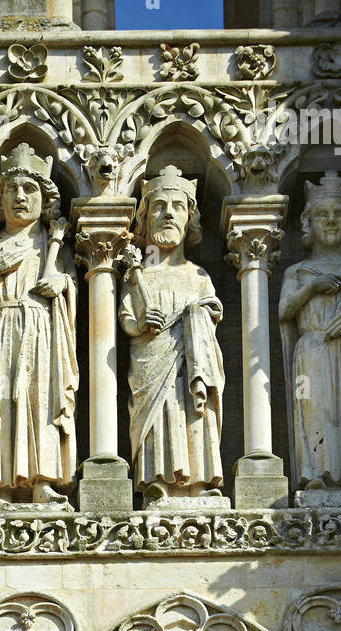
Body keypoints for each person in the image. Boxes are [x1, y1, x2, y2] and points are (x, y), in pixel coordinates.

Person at [0, 144, 77, 502]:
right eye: (11, 189)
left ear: (44, 200)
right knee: (1, 400)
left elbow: (72, 288)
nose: (20, 197)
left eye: (30, 189)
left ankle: (42, 481)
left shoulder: (51, 247)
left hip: (42, 329)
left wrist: (61, 284)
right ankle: (1, 486)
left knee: (39, 398)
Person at [119, 165, 224, 503]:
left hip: (189, 365)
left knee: (191, 411)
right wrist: (139, 324)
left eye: (177, 207)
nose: (168, 214)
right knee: (159, 415)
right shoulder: (139, 276)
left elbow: (212, 312)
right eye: (159, 207)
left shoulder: (198, 275)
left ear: (189, 218)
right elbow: (124, 317)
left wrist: (198, 317)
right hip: (151, 362)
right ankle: (157, 481)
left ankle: (197, 482)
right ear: (145, 218)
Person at [279, 170, 341, 495]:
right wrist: (312, 287)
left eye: (339, 214)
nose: (332, 221)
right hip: (312, 351)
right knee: (314, 410)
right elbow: (284, 311)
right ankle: (314, 475)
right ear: (309, 222)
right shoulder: (298, 272)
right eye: (323, 214)